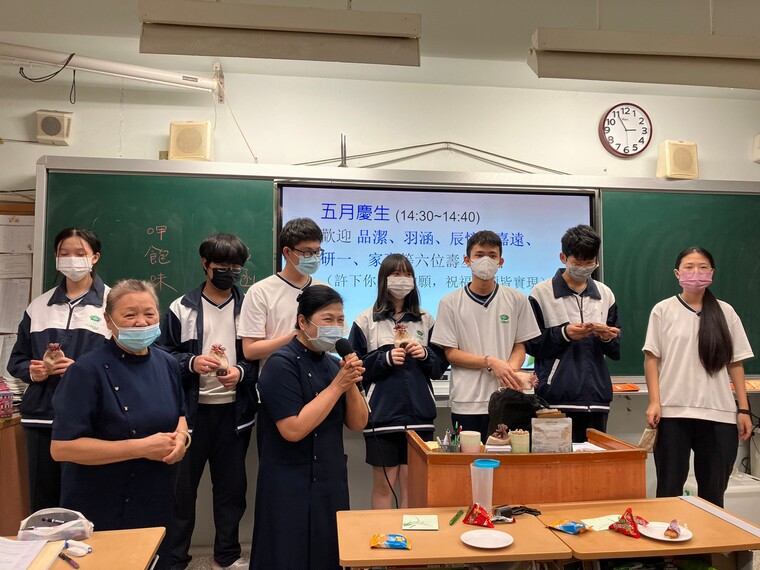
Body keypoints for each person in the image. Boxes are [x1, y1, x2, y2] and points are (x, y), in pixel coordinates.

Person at [50, 279, 187, 570]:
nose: (141, 322)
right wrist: (140, 448)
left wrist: (182, 440)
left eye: (149, 314)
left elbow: (180, 416)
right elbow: (62, 448)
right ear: (108, 321)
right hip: (101, 501)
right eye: (130, 315)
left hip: (156, 494)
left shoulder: (167, 363)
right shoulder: (86, 371)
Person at [156, 233, 257, 570]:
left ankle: (226, 555)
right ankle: (175, 559)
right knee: (182, 491)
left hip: (235, 414)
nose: (230, 272)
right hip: (189, 415)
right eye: (222, 266)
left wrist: (240, 373)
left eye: (236, 267)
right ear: (205, 264)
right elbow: (161, 355)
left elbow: (260, 359)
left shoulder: (250, 308)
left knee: (231, 490)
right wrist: (191, 363)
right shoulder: (181, 308)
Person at [250, 285, 368, 570]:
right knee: (287, 554)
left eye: (340, 319)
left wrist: (350, 380)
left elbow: (358, 423)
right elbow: (293, 429)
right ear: (303, 322)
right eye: (328, 319)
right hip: (289, 480)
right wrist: (337, 386)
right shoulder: (280, 364)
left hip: (329, 476)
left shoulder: (333, 364)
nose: (336, 326)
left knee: (328, 552)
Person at [8, 227, 110, 512]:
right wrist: (34, 370)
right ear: (55, 257)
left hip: (92, 420)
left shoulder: (112, 303)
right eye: (64, 253)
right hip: (42, 418)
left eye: (79, 253)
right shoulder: (39, 306)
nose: (71, 259)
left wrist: (81, 371)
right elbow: (17, 360)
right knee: (44, 507)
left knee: (86, 503)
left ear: (95, 257)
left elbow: (123, 364)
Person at [643, 247, 753, 508]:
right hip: (673, 413)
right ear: (677, 273)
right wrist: (655, 401)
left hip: (719, 415)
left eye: (703, 267)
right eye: (689, 267)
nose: (696, 273)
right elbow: (651, 358)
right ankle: (669, 537)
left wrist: (743, 409)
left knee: (713, 496)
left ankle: (708, 538)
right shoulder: (663, 310)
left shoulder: (726, 312)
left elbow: (735, 363)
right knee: (669, 491)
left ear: (712, 272)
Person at [348, 254, 447, 509]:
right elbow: (354, 369)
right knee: (385, 485)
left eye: (407, 274)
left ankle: (409, 533)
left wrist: (425, 354)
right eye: (396, 274)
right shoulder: (365, 320)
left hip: (420, 417)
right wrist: (384, 358)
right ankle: (383, 533)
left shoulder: (426, 319)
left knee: (412, 485)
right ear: (384, 279)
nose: (402, 280)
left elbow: (439, 367)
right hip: (381, 418)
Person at [431, 230, 541, 443]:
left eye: (492, 256)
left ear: (501, 261)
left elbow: (520, 345)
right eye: (479, 255)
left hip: (508, 400)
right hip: (467, 401)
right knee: (470, 458)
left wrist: (509, 370)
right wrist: (490, 362)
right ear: (467, 260)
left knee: (509, 458)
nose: (486, 261)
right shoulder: (450, 303)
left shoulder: (517, 299)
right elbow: (451, 353)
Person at [525, 225, 621, 443]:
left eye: (590, 262)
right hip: (555, 400)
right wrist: (564, 333)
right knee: (555, 462)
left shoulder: (605, 294)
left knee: (594, 461)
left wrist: (606, 336)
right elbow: (532, 344)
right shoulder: (541, 293)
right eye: (578, 262)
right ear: (563, 257)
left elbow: (616, 351)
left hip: (597, 399)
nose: (584, 268)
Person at [239, 217, 326, 370]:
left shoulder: (325, 290)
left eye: (317, 252)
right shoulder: (260, 291)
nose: (314, 257)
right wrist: (293, 339)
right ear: (287, 252)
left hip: (320, 377)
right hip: (278, 377)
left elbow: (335, 343)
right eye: (307, 252)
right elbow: (250, 351)